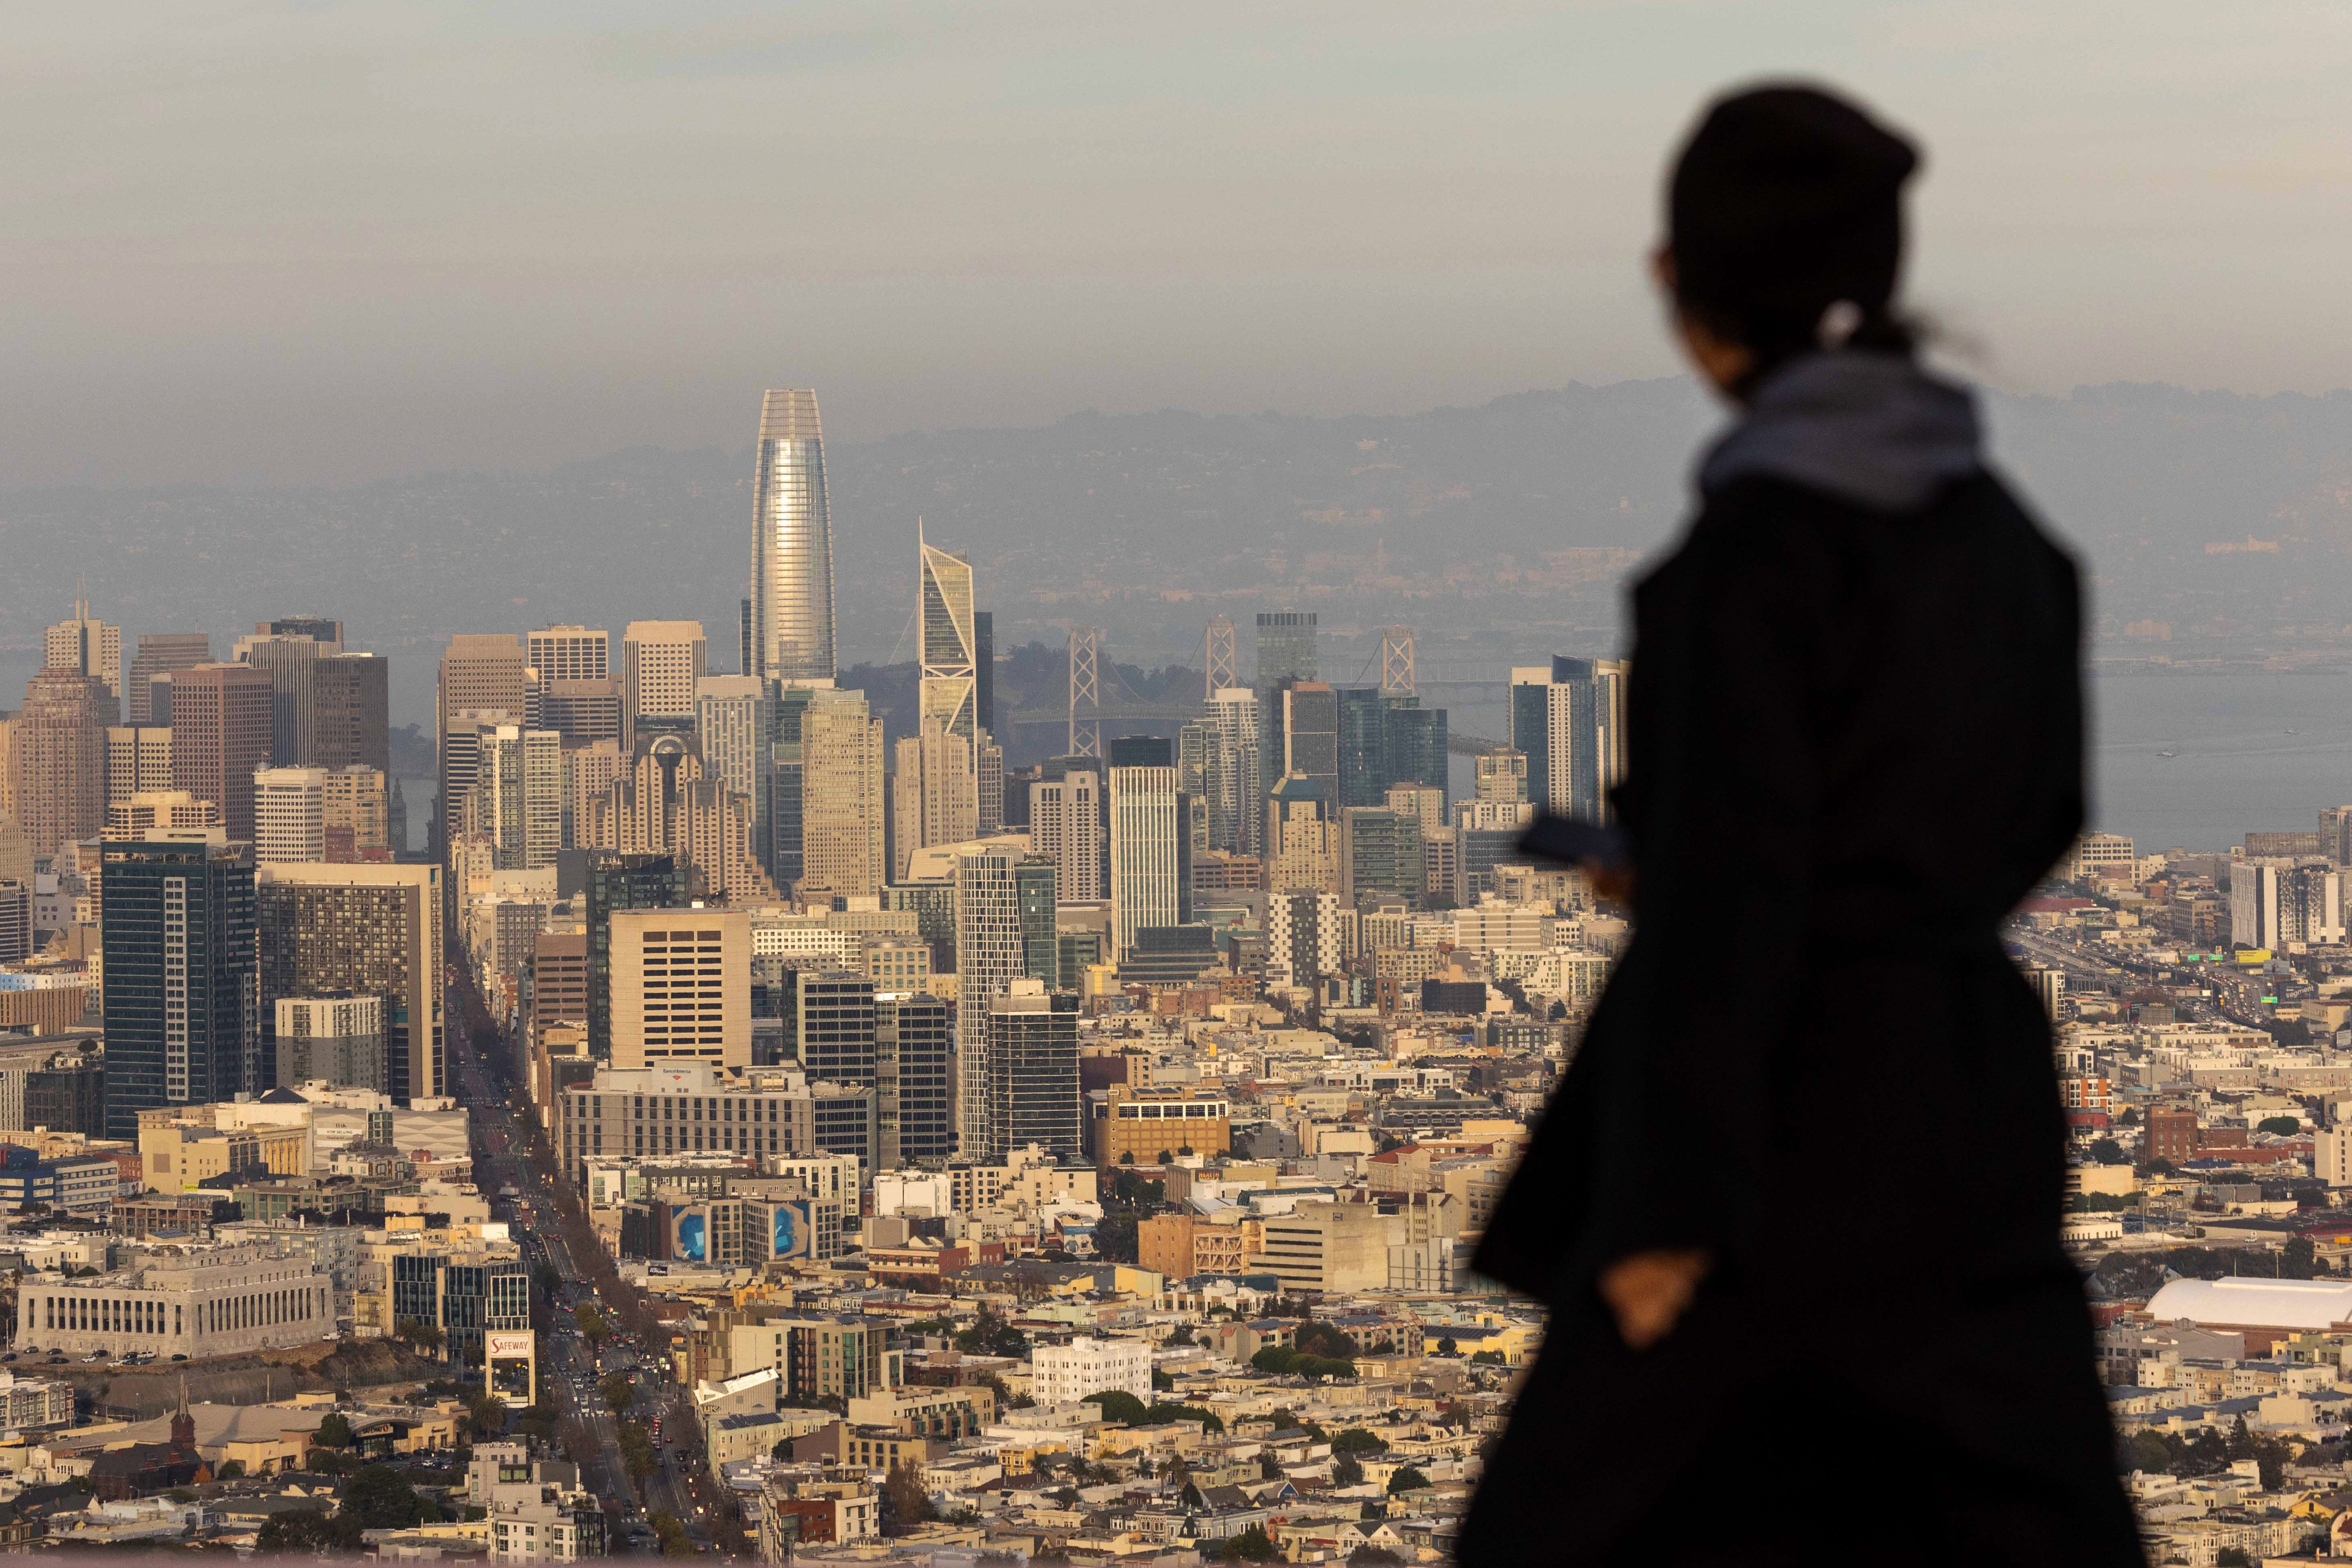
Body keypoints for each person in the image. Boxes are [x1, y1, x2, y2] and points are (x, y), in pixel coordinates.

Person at [1460, 85, 2143, 1566]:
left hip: (1779, 1120)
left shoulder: (1752, 551)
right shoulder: (2010, 538)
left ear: (1678, 283)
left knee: (1564, 1526)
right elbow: (2041, 815)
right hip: (1967, 1091)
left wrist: (1666, 1217)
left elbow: (1737, 900)